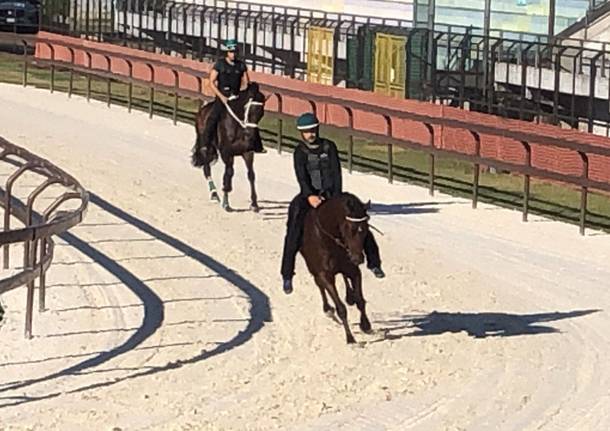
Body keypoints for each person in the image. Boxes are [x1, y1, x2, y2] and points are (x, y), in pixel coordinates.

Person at [280, 112, 385, 294]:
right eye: (307, 132)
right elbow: (301, 176)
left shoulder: (330, 147)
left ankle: (374, 263)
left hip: (332, 195)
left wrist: (336, 197)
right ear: (301, 134)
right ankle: (287, 274)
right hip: (309, 196)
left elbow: (337, 173)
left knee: (359, 221)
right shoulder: (299, 151)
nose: (311, 134)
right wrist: (309, 196)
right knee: (293, 230)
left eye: (313, 130)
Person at [202, 38, 266, 153]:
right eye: (231, 52)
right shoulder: (220, 64)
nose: (233, 54)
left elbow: (246, 82)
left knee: (251, 117)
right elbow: (212, 82)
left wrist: (244, 93)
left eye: (235, 52)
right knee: (213, 117)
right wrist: (221, 97)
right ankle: (205, 143)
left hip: (236, 97)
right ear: (227, 52)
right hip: (223, 97)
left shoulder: (241, 65)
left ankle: (257, 145)